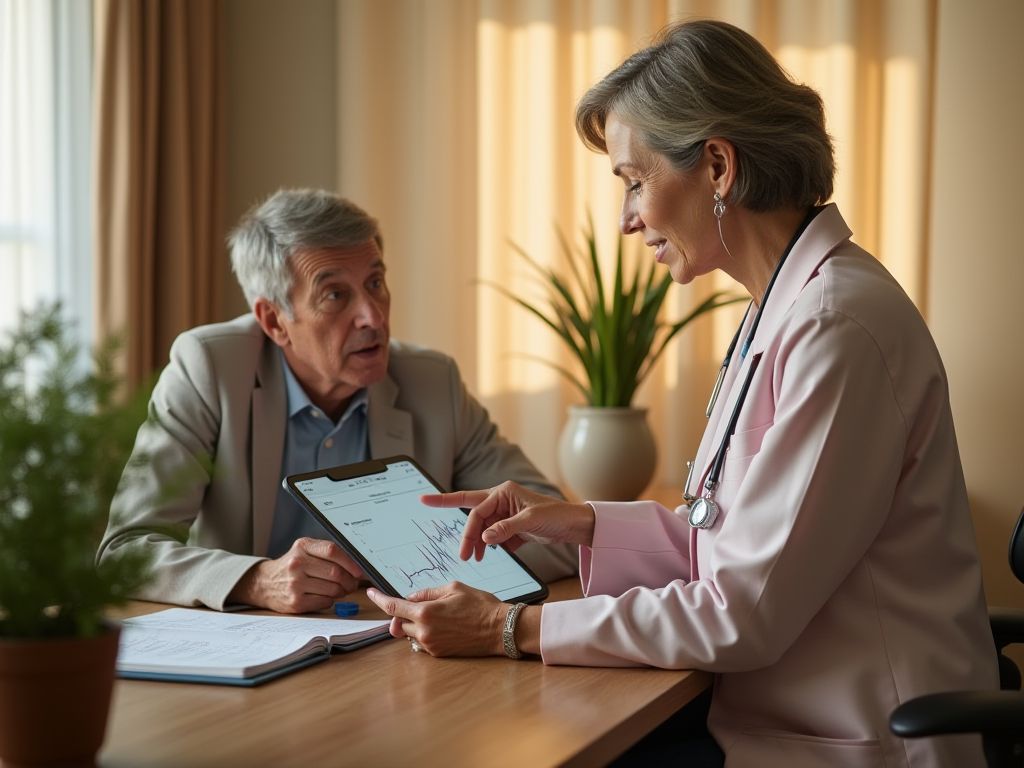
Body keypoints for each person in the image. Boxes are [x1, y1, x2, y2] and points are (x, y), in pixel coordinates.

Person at [365, 20, 999, 767]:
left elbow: (740, 612)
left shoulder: (835, 328)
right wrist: (578, 524)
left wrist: (508, 629)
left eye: (634, 181)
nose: (627, 219)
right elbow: (732, 544)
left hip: (859, 742)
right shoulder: (785, 307)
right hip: (783, 710)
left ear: (718, 167)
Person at [97, 188, 576, 613]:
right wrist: (256, 580)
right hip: (250, 649)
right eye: (335, 296)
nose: (373, 317)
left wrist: (426, 575)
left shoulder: (433, 382)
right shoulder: (210, 369)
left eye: (375, 283)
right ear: (274, 320)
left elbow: (561, 534)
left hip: (393, 644)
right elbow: (126, 549)